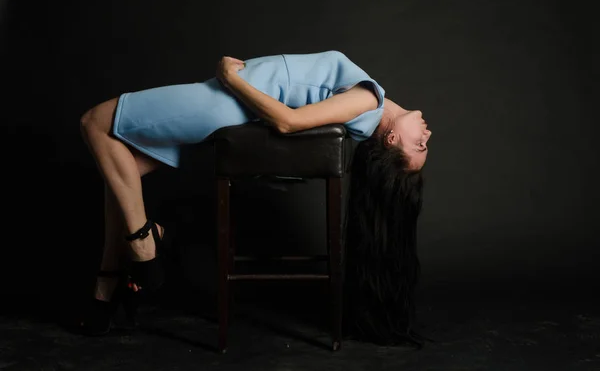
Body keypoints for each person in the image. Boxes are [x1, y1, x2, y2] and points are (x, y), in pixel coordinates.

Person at [78, 50, 432, 345]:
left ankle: (143, 244)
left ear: (390, 141)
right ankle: (106, 287)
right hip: (229, 102)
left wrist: (231, 79)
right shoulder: (369, 106)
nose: (426, 135)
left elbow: (288, 122)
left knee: (95, 122)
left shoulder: (368, 102)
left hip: (223, 101)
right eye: (424, 143)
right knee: (121, 172)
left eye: (419, 145)